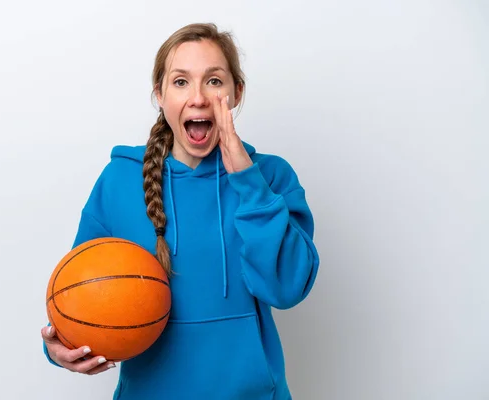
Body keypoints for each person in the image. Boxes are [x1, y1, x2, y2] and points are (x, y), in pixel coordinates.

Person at [41, 22, 320, 400]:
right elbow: (78, 293)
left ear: (237, 92)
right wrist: (58, 348)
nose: (199, 98)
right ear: (159, 94)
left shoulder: (271, 177)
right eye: (181, 82)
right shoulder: (119, 181)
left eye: (215, 81)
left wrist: (246, 180)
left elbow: (287, 288)